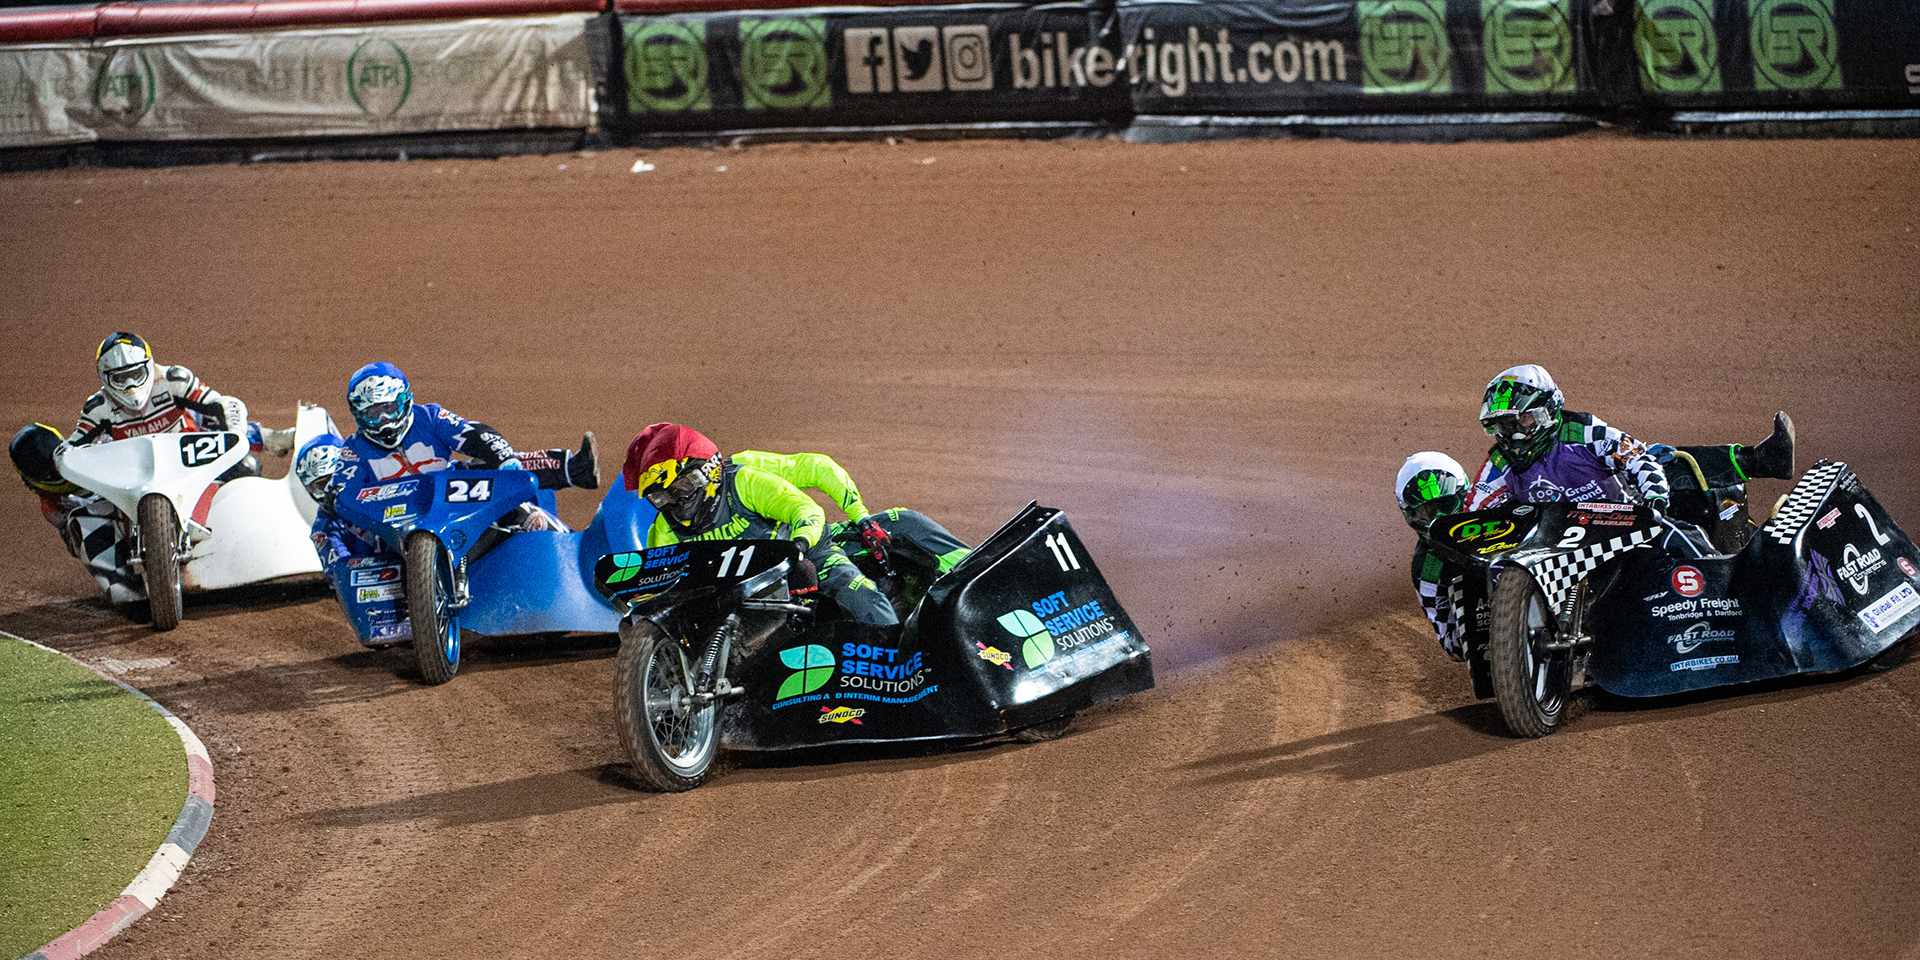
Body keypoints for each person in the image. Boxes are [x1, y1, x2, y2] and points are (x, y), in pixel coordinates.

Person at [621, 423, 896, 626]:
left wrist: (857, 518)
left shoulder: (746, 477)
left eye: (683, 484)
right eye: (661, 495)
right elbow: (662, 585)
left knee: (861, 595)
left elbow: (807, 506)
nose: (676, 499)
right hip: (735, 586)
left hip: (802, 554)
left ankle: (898, 676)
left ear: (710, 470)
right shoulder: (662, 529)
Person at [1465, 364, 1793, 514]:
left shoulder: (1584, 431)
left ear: (1549, 411)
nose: (1515, 434)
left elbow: (1636, 456)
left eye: (1522, 420)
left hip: (1623, 525)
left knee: (1667, 458)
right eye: (1504, 426)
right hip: (1550, 552)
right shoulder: (1499, 462)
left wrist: (1655, 501)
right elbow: (1471, 514)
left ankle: (1760, 460)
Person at [331, 362, 597, 535]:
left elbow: (474, 435)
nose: (383, 421)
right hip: (394, 523)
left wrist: (503, 457)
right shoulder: (353, 451)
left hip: (450, 497)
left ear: (405, 401)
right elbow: (337, 495)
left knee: (490, 467)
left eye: (389, 409)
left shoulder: (431, 417)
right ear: (358, 415)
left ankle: (573, 475)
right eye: (372, 413)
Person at [729, 449, 972, 577]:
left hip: (806, 547)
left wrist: (862, 518)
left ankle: (981, 573)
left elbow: (819, 468)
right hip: (759, 584)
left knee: (906, 523)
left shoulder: (740, 469)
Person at [1396, 451, 1471, 660]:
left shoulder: (1500, 508)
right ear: (1410, 515)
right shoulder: (1427, 567)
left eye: (1446, 505)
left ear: (1463, 493)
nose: (1439, 518)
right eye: (1427, 511)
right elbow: (1452, 647)